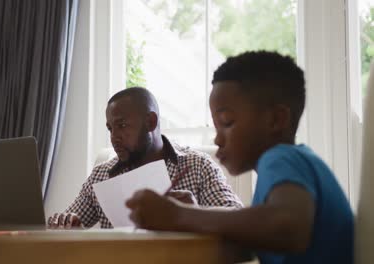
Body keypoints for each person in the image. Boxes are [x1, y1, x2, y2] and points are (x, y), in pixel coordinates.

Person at [126, 52, 354, 263]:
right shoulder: (291, 168)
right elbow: (258, 234)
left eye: (226, 122)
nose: (217, 139)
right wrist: (195, 214)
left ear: (276, 120)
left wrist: (178, 215)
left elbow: (288, 228)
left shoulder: (280, 158)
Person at [47, 87, 242, 229]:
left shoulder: (197, 166)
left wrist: (193, 212)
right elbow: (72, 221)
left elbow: (238, 219)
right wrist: (68, 224)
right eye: (110, 128)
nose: (114, 136)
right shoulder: (101, 175)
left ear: (150, 122)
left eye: (122, 125)